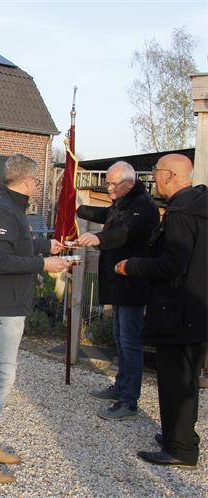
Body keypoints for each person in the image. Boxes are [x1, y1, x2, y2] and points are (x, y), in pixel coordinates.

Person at [0, 153, 70, 484]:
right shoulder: (1, 211)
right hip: (1, 307)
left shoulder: (10, 210)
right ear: (28, 181)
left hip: (6, 305)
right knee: (0, 378)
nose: (37, 186)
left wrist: (45, 246)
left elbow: (16, 243)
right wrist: (43, 265)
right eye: (37, 181)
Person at [114, 153, 206, 467]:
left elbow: (171, 264)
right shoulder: (199, 206)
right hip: (198, 308)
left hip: (177, 309)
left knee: (175, 380)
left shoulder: (181, 214)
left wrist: (133, 266)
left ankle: (179, 449)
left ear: (170, 175)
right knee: (187, 378)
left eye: (156, 171)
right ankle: (179, 436)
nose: (153, 177)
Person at [76, 161, 160, 420]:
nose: (109, 188)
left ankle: (129, 401)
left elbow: (124, 233)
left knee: (130, 342)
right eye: (108, 183)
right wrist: (79, 208)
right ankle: (121, 386)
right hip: (118, 284)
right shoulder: (123, 203)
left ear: (129, 183)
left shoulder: (144, 207)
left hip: (132, 284)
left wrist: (99, 238)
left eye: (113, 184)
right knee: (120, 337)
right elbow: (108, 216)